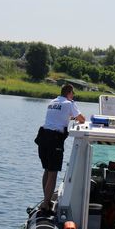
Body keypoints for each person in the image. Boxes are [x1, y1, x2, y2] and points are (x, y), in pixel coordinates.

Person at [35, 84, 85, 213]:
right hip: (54, 140)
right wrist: (75, 117)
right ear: (69, 93)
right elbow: (82, 119)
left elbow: (58, 116)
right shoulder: (69, 103)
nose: (73, 96)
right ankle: (46, 204)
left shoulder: (52, 102)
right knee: (53, 173)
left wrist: (70, 117)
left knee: (46, 170)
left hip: (43, 137)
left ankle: (46, 200)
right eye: (72, 93)